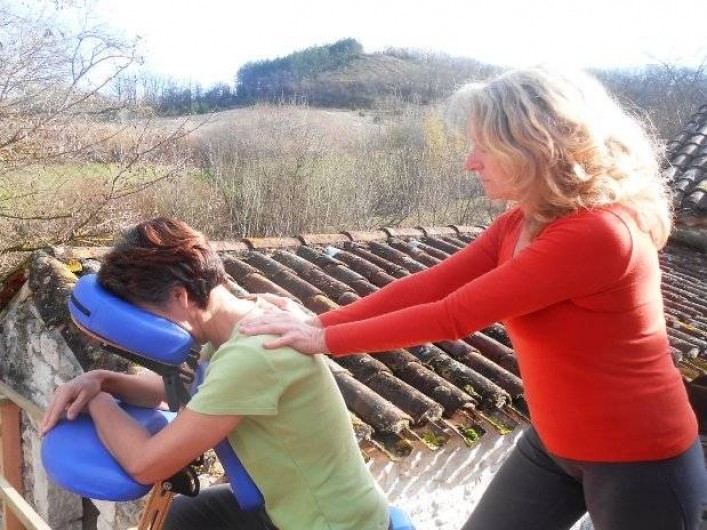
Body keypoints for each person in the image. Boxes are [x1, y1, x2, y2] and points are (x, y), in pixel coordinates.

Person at [239, 66, 707, 530]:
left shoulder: (599, 233)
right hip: (556, 444)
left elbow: (453, 315)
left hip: (640, 459)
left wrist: (323, 341)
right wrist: (319, 322)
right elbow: (431, 285)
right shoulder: (523, 221)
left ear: (534, 147)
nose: (470, 162)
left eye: (484, 146)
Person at [40, 217, 390, 530]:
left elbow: (144, 464)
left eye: (148, 316)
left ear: (180, 296)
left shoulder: (253, 356)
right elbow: (185, 393)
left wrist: (99, 402)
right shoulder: (242, 321)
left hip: (331, 523)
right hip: (288, 507)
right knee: (181, 517)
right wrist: (102, 379)